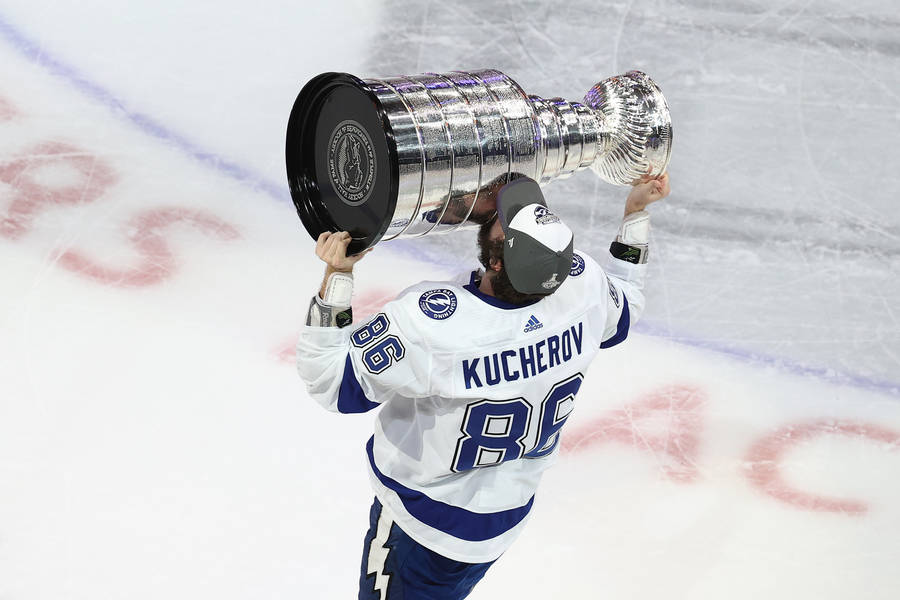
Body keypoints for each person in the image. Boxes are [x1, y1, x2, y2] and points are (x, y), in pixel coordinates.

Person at [297, 173, 671, 599]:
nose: (499, 210)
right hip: (504, 514)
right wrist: (635, 214)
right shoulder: (581, 288)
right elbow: (626, 306)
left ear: (496, 262)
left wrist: (337, 275)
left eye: (504, 220)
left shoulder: (433, 323)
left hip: (424, 524)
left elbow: (332, 383)